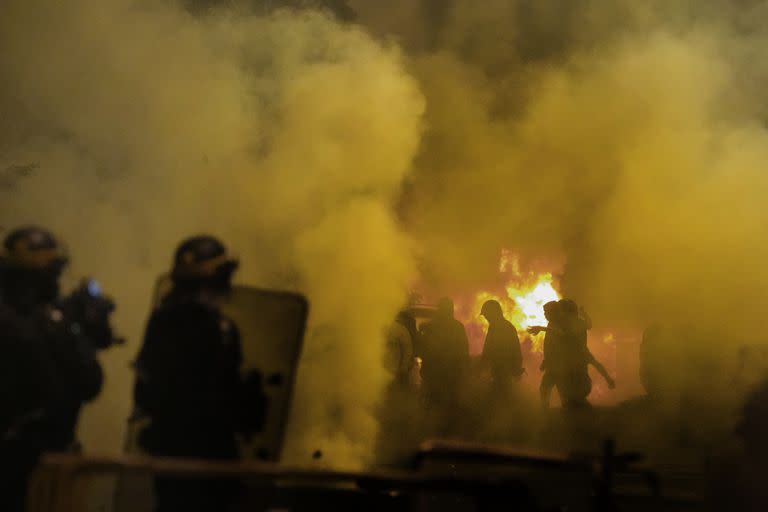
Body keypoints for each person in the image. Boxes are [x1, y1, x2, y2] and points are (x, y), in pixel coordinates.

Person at [134, 235, 264, 512]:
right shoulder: (220, 330)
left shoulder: (161, 322)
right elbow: (219, 398)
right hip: (211, 461)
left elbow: (146, 391)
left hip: (169, 456)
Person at [0, 226, 105, 512]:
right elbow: (88, 381)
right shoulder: (36, 323)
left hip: (40, 452)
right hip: (24, 454)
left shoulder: (46, 319)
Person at [419, 298, 470, 409]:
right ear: (451, 310)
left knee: (433, 406)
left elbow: (423, 349)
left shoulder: (430, 327)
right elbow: (464, 350)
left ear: (439, 310)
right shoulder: (458, 327)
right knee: (450, 407)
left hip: (434, 375)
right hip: (452, 375)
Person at [480, 300, 524, 400]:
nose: (486, 317)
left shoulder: (504, 327)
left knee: (502, 397)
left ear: (493, 313)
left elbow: (514, 349)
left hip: (504, 370)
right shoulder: (496, 326)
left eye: (487, 314)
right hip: (499, 370)